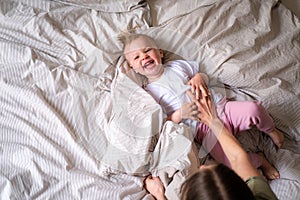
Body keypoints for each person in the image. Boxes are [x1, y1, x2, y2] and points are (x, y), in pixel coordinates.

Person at [120, 33, 283, 179]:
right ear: (133, 68)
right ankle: (259, 160)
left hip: (221, 108)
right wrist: (179, 115)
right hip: (203, 128)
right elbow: (164, 122)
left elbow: (205, 76)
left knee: (254, 109)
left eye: (147, 50)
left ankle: (271, 130)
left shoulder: (178, 66)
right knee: (229, 164)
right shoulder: (149, 94)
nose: (144, 56)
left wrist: (199, 77)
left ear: (160, 53)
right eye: (136, 57)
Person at [144, 92, 279, 200]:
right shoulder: (262, 195)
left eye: (200, 172)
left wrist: (159, 194)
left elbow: (238, 159)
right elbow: (238, 158)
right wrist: (211, 120)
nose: (202, 166)